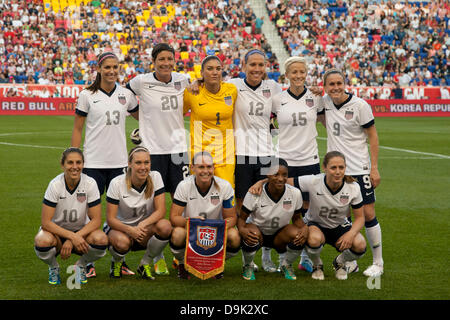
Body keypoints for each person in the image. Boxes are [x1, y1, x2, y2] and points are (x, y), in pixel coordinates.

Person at [71, 51, 139, 278]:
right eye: (107, 67)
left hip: (120, 163)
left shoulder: (126, 95)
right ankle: (89, 261)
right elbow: (78, 128)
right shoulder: (87, 95)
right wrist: (74, 154)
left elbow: (144, 118)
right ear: (99, 69)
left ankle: (119, 261)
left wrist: (145, 132)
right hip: (93, 161)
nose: (112, 71)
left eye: (115, 67)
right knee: (90, 215)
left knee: (119, 214)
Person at [126, 43, 191, 275]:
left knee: (181, 202)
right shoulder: (140, 81)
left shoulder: (184, 80)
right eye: (161, 59)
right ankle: (158, 256)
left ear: (175, 60)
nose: (166, 63)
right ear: (153, 61)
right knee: (154, 204)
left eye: (169, 59)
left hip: (178, 149)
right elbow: (125, 97)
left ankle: (180, 254)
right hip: (152, 151)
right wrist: (142, 120)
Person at [321, 68, 383, 277]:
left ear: (345, 83)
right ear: (325, 87)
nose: (336, 87)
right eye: (331, 84)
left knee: (367, 214)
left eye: (339, 83)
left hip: (359, 169)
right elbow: (322, 119)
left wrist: (374, 168)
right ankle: (350, 259)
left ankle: (378, 263)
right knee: (343, 216)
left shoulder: (360, 105)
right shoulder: (325, 102)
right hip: (337, 171)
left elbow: (373, 137)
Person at [228, 49, 282, 273]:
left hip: (267, 153)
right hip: (240, 154)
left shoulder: (274, 88)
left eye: (261, 65)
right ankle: (247, 259)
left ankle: (267, 254)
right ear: (244, 66)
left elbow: (284, 112)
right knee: (243, 207)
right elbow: (207, 87)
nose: (257, 69)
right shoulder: (232, 85)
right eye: (252, 64)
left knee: (267, 207)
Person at [272, 56, 325, 273]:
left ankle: (305, 256)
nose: (298, 76)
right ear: (286, 75)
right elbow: (267, 124)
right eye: (294, 72)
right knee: (281, 208)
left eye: (302, 72)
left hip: (310, 159)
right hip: (284, 161)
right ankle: (273, 255)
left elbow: (326, 121)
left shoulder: (316, 98)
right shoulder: (277, 99)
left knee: (307, 209)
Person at [34, 148, 108, 285]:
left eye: (78, 162)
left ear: (83, 164)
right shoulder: (55, 185)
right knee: (41, 241)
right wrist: (71, 237)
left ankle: (81, 266)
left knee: (101, 239)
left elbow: (96, 220)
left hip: (82, 233)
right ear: (62, 165)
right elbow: (46, 222)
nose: (75, 167)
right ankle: (53, 267)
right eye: (70, 163)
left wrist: (76, 236)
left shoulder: (90, 183)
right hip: (57, 234)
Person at [169, 151, 240, 279]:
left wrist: (215, 226)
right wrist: (191, 222)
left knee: (234, 236)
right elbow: (174, 217)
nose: (205, 171)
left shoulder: (224, 186)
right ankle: (182, 264)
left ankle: (216, 264)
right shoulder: (184, 186)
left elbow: (232, 218)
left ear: (214, 168)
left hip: (214, 233)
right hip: (191, 230)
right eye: (201, 167)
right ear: (192, 168)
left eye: (209, 167)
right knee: (177, 234)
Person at [105, 146, 172, 280]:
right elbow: (111, 219)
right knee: (122, 243)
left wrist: (142, 224)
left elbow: (161, 211)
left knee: (165, 226)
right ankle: (117, 262)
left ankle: (145, 263)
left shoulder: (155, 177)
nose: (143, 167)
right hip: (121, 229)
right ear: (129, 164)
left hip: (144, 229)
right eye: (138, 163)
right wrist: (130, 230)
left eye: (146, 162)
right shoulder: (117, 183)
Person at [238, 158, 308, 281]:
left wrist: (304, 228)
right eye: (276, 174)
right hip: (258, 232)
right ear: (268, 174)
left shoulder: (295, 193)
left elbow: (297, 219)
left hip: (279, 235)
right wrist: (242, 229)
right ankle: (248, 265)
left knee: (299, 235)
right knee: (251, 233)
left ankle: (286, 264)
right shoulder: (255, 192)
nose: (280, 179)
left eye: (284, 175)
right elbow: (242, 218)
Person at [301, 151, 367, 280]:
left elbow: (360, 218)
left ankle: (339, 262)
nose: (337, 172)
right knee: (313, 239)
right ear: (324, 168)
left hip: (338, 226)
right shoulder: (313, 181)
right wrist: (261, 182)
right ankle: (317, 265)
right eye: (333, 167)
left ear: (345, 168)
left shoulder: (353, 188)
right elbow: (283, 181)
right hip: (315, 225)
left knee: (360, 245)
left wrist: (350, 234)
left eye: (341, 167)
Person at [183, 55, 238, 188]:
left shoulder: (232, 90)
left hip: (225, 154)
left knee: (227, 195)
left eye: (218, 69)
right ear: (202, 73)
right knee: (200, 196)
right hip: (200, 152)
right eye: (210, 69)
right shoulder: (192, 92)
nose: (215, 72)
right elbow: (177, 115)